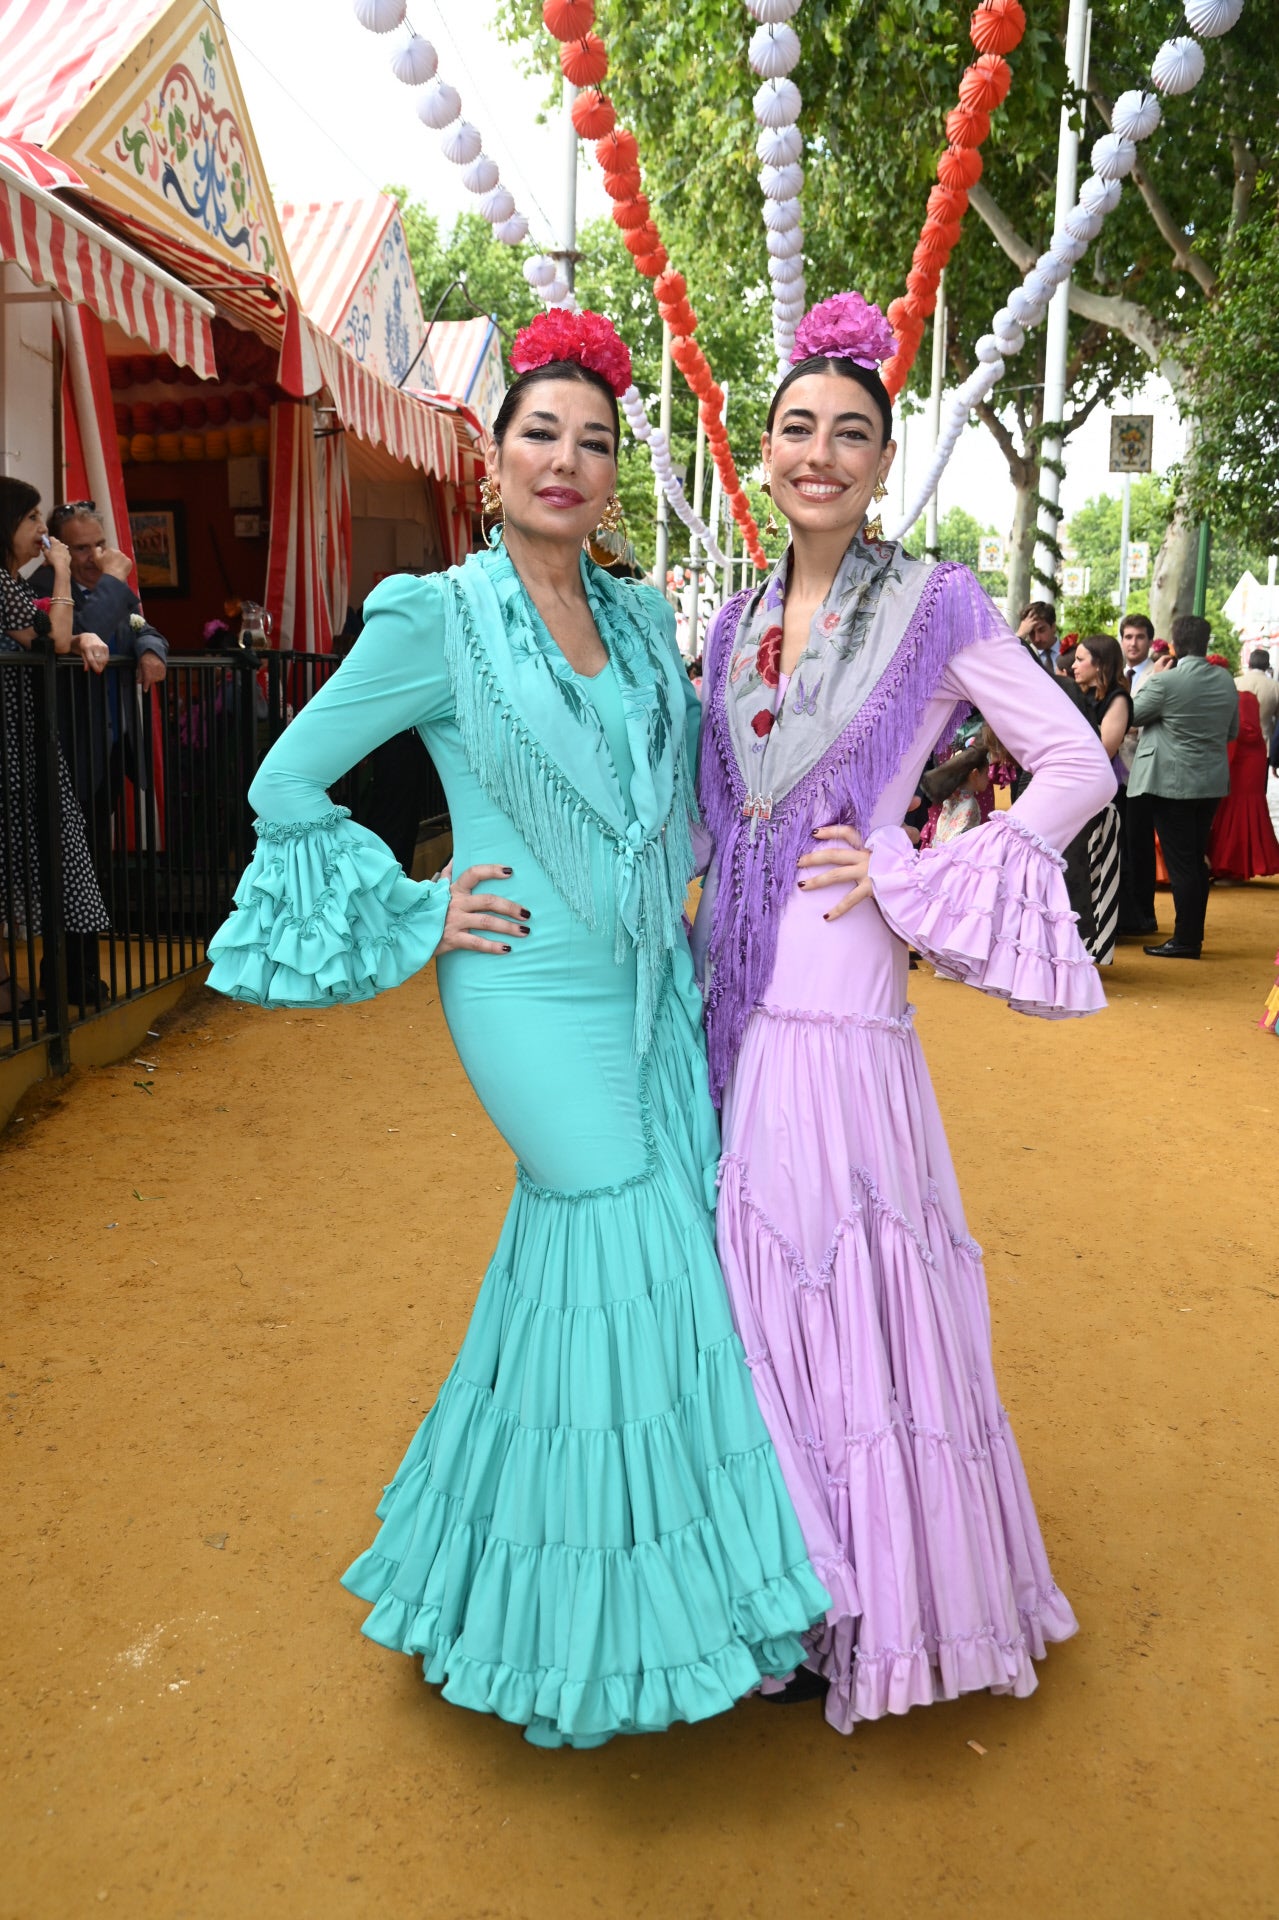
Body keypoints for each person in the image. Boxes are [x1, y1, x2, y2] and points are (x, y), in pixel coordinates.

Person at [205, 311, 828, 1751]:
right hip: (522, 994)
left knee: (621, 1259)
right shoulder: (434, 615)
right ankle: (610, 1619)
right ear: (488, 462)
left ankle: (501, 1573)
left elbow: (683, 796)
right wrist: (424, 911)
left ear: (613, 476)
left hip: (643, 987)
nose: (566, 459)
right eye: (538, 434)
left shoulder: (632, 620)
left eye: (593, 441)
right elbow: (287, 783)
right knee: (623, 1227)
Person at [694, 291, 1114, 1733]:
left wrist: (908, 870)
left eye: (848, 435)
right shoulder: (731, 626)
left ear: (880, 461)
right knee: (750, 1278)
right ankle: (775, 1587)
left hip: (842, 989)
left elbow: (1072, 767)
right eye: (796, 429)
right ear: (764, 450)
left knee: (840, 1269)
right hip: (735, 995)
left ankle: (868, 1599)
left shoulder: (934, 603)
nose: (818, 453)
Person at [0, 478, 111, 1020]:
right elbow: (53, 639)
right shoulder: (2, 582)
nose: (41, 530)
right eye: (30, 519)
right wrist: (64, 573)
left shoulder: (10, 583)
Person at [1129, 613, 1239, 959]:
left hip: (1173, 784)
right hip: (1211, 783)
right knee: (1194, 860)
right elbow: (1232, 732)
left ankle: (1187, 940)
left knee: (1182, 866)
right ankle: (1191, 935)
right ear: (1207, 644)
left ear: (1173, 645)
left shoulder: (1166, 682)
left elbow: (1129, 715)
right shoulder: (1225, 681)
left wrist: (1154, 678)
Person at [1072, 634, 1132, 965]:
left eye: (1082, 659)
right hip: (1083, 796)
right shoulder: (1086, 697)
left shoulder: (1117, 700)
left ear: (1101, 664)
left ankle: (1095, 948)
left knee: (1098, 873)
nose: (1075, 665)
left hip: (1105, 800)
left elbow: (1104, 749)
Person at [1206, 671, 1279, 882]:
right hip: (1250, 757)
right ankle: (1235, 865)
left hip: (1242, 762)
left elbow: (1241, 732)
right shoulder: (1245, 696)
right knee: (1237, 810)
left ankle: (1231, 865)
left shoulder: (1237, 698)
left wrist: (1220, 764)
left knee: (1235, 810)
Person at [1235, 647, 1277, 750]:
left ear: (1249, 663)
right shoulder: (1275, 687)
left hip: (1236, 742)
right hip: (1263, 744)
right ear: (1267, 665)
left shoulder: (1235, 682)